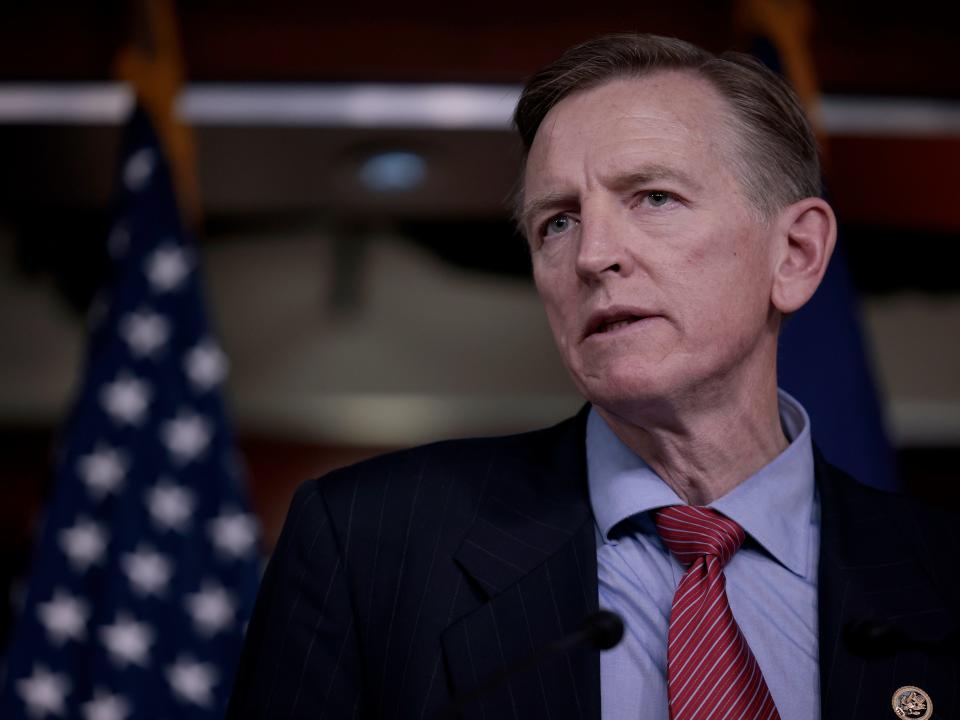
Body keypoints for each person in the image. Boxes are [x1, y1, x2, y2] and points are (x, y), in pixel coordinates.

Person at [226, 34, 959, 720]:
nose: (592, 255)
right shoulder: (370, 544)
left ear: (795, 253)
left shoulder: (939, 571)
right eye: (558, 222)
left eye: (654, 198)